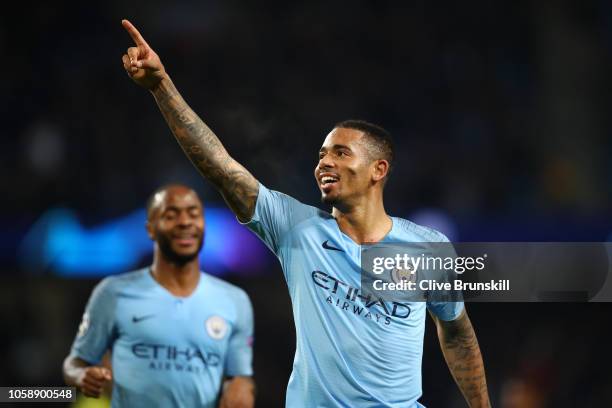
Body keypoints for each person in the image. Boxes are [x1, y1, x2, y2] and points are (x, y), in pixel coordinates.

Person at [120, 19, 490, 407]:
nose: (324, 163)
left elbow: (456, 333)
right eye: (321, 155)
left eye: (340, 153)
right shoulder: (298, 229)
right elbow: (221, 169)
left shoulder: (426, 248)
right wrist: (161, 86)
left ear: (378, 170)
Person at [63, 184, 255, 408]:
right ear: (150, 229)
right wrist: (80, 376)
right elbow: (74, 364)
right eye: (171, 215)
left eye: (193, 214)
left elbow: (240, 377)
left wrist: (242, 388)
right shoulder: (113, 293)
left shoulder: (234, 300)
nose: (185, 222)